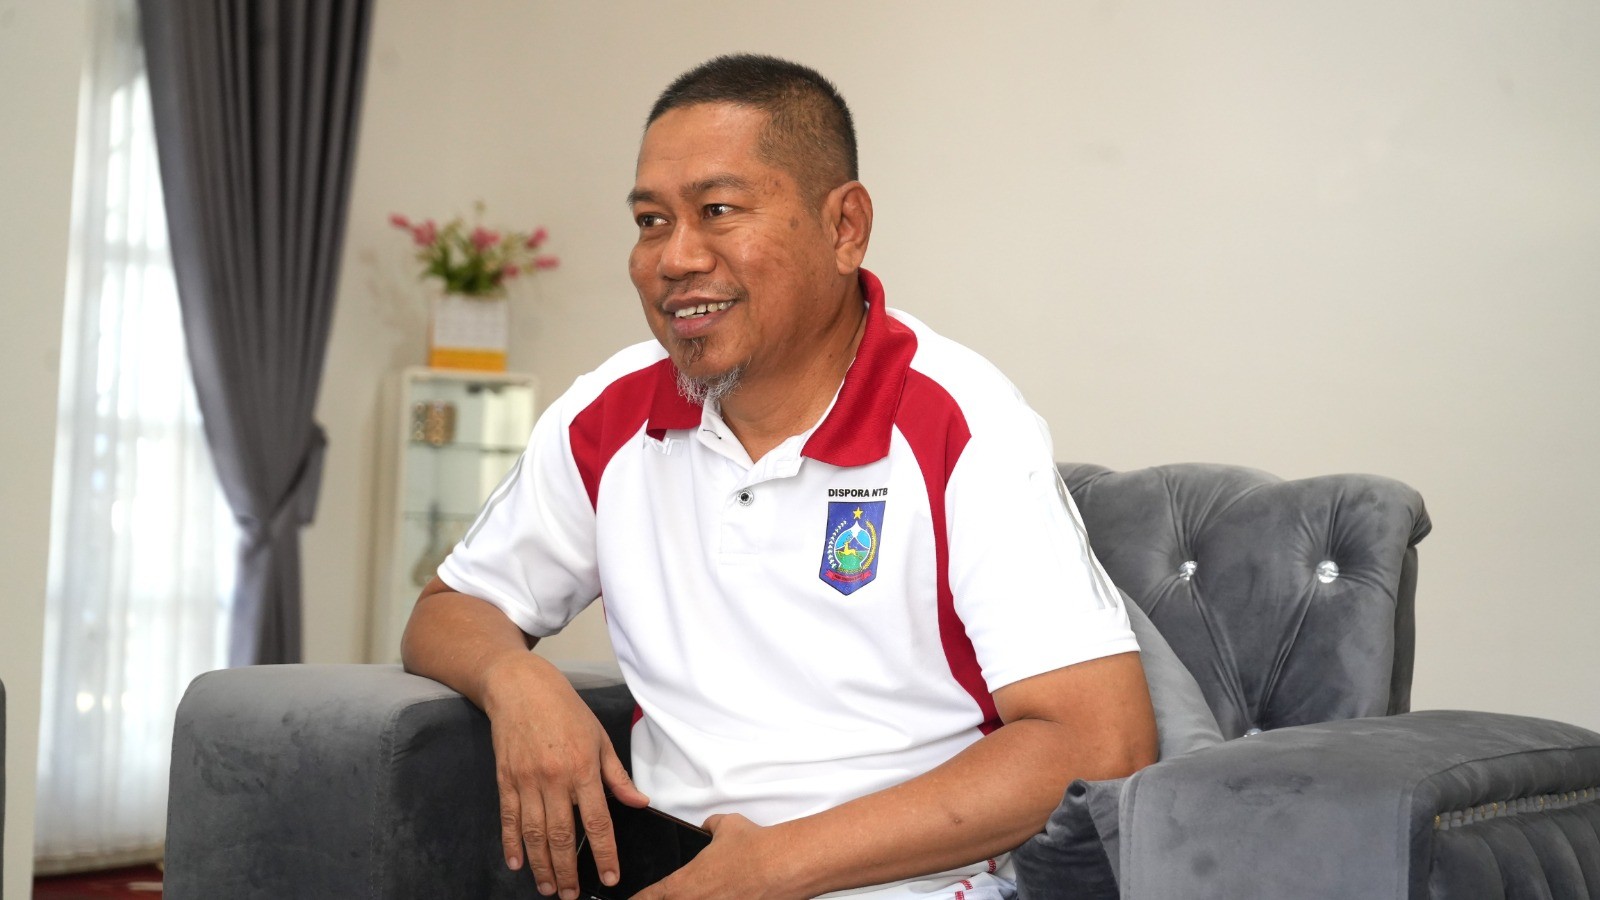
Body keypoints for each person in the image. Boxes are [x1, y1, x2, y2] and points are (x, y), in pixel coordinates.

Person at [401, 54, 1157, 900]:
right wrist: (517, 681)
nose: (674, 257)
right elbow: (450, 609)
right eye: (651, 220)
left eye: (718, 211)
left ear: (845, 228)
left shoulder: (961, 420)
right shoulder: (608, 416)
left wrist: (771, 868)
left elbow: (1101, 742)